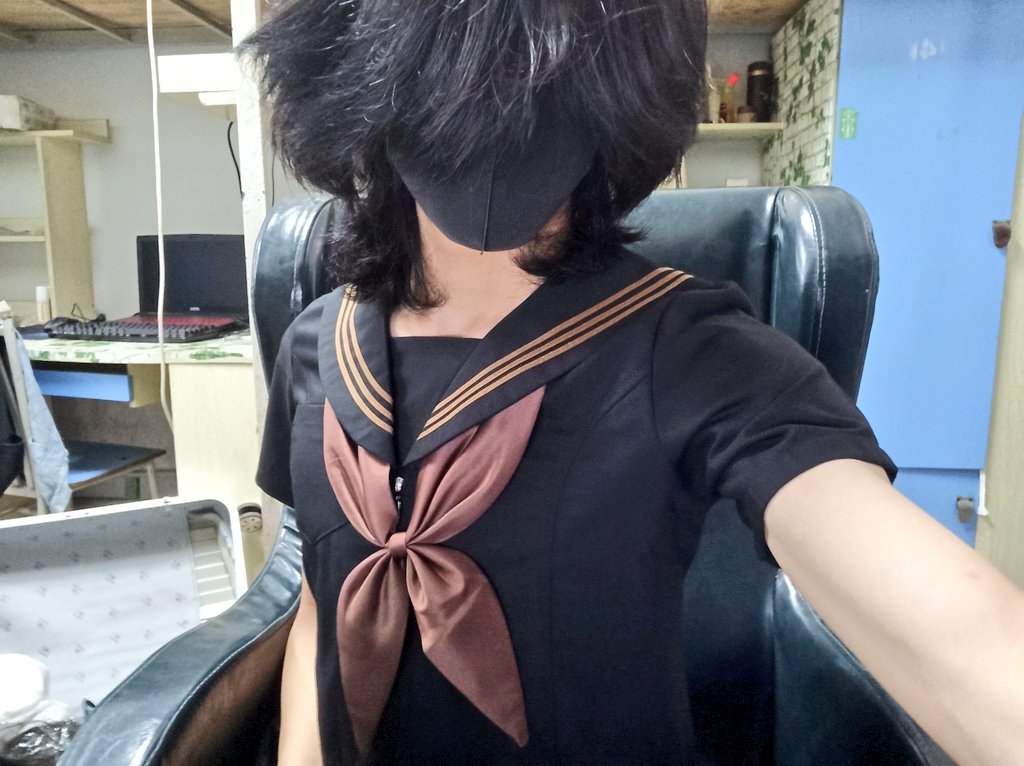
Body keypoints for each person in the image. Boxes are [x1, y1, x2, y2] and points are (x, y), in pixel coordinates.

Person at [245, 1, 1024, 763]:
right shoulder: (316, 344)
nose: (491, 118)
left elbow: (955, 636)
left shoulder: (694, 352)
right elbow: (320, 606)